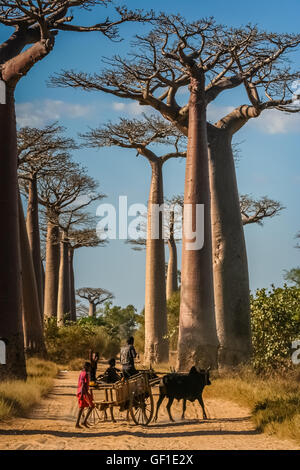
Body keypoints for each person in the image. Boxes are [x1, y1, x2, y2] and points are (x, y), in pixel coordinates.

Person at [75, 362, 94, 428]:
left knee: (81, 407)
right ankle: (84, 421)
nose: (90, 368)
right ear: (87, 367)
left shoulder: (82, 373)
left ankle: (77, 424)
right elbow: (83, 385)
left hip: (80, 391)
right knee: (92, 406)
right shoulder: (85, 374)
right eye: (89, 367)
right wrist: (83, 395)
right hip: (83, 392)